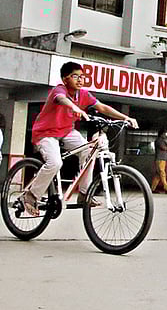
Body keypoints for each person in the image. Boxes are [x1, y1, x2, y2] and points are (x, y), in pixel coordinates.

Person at [22, 61, 138, 217]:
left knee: (90, 150)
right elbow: (62, 99)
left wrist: (126, 117)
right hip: (45, 133)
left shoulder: (83, 94)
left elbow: (102, 107)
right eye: (75, 76)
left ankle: (84, 194)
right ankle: (30, 196)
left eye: (82, 76)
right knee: (55, 162)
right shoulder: (59, 90)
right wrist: (75, 108)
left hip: (67, 132)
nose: (80, 79)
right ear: (65, 79)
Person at [151, 129, 167, 194]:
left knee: (158, 175)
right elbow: (165, 148)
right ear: (161, 134)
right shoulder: (159, 141)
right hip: (160, 159)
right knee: (162, 173)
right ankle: (166, 188)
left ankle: (152, 189)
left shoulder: (163, 141)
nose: (165, 135)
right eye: (164, 134)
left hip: (162, 159)